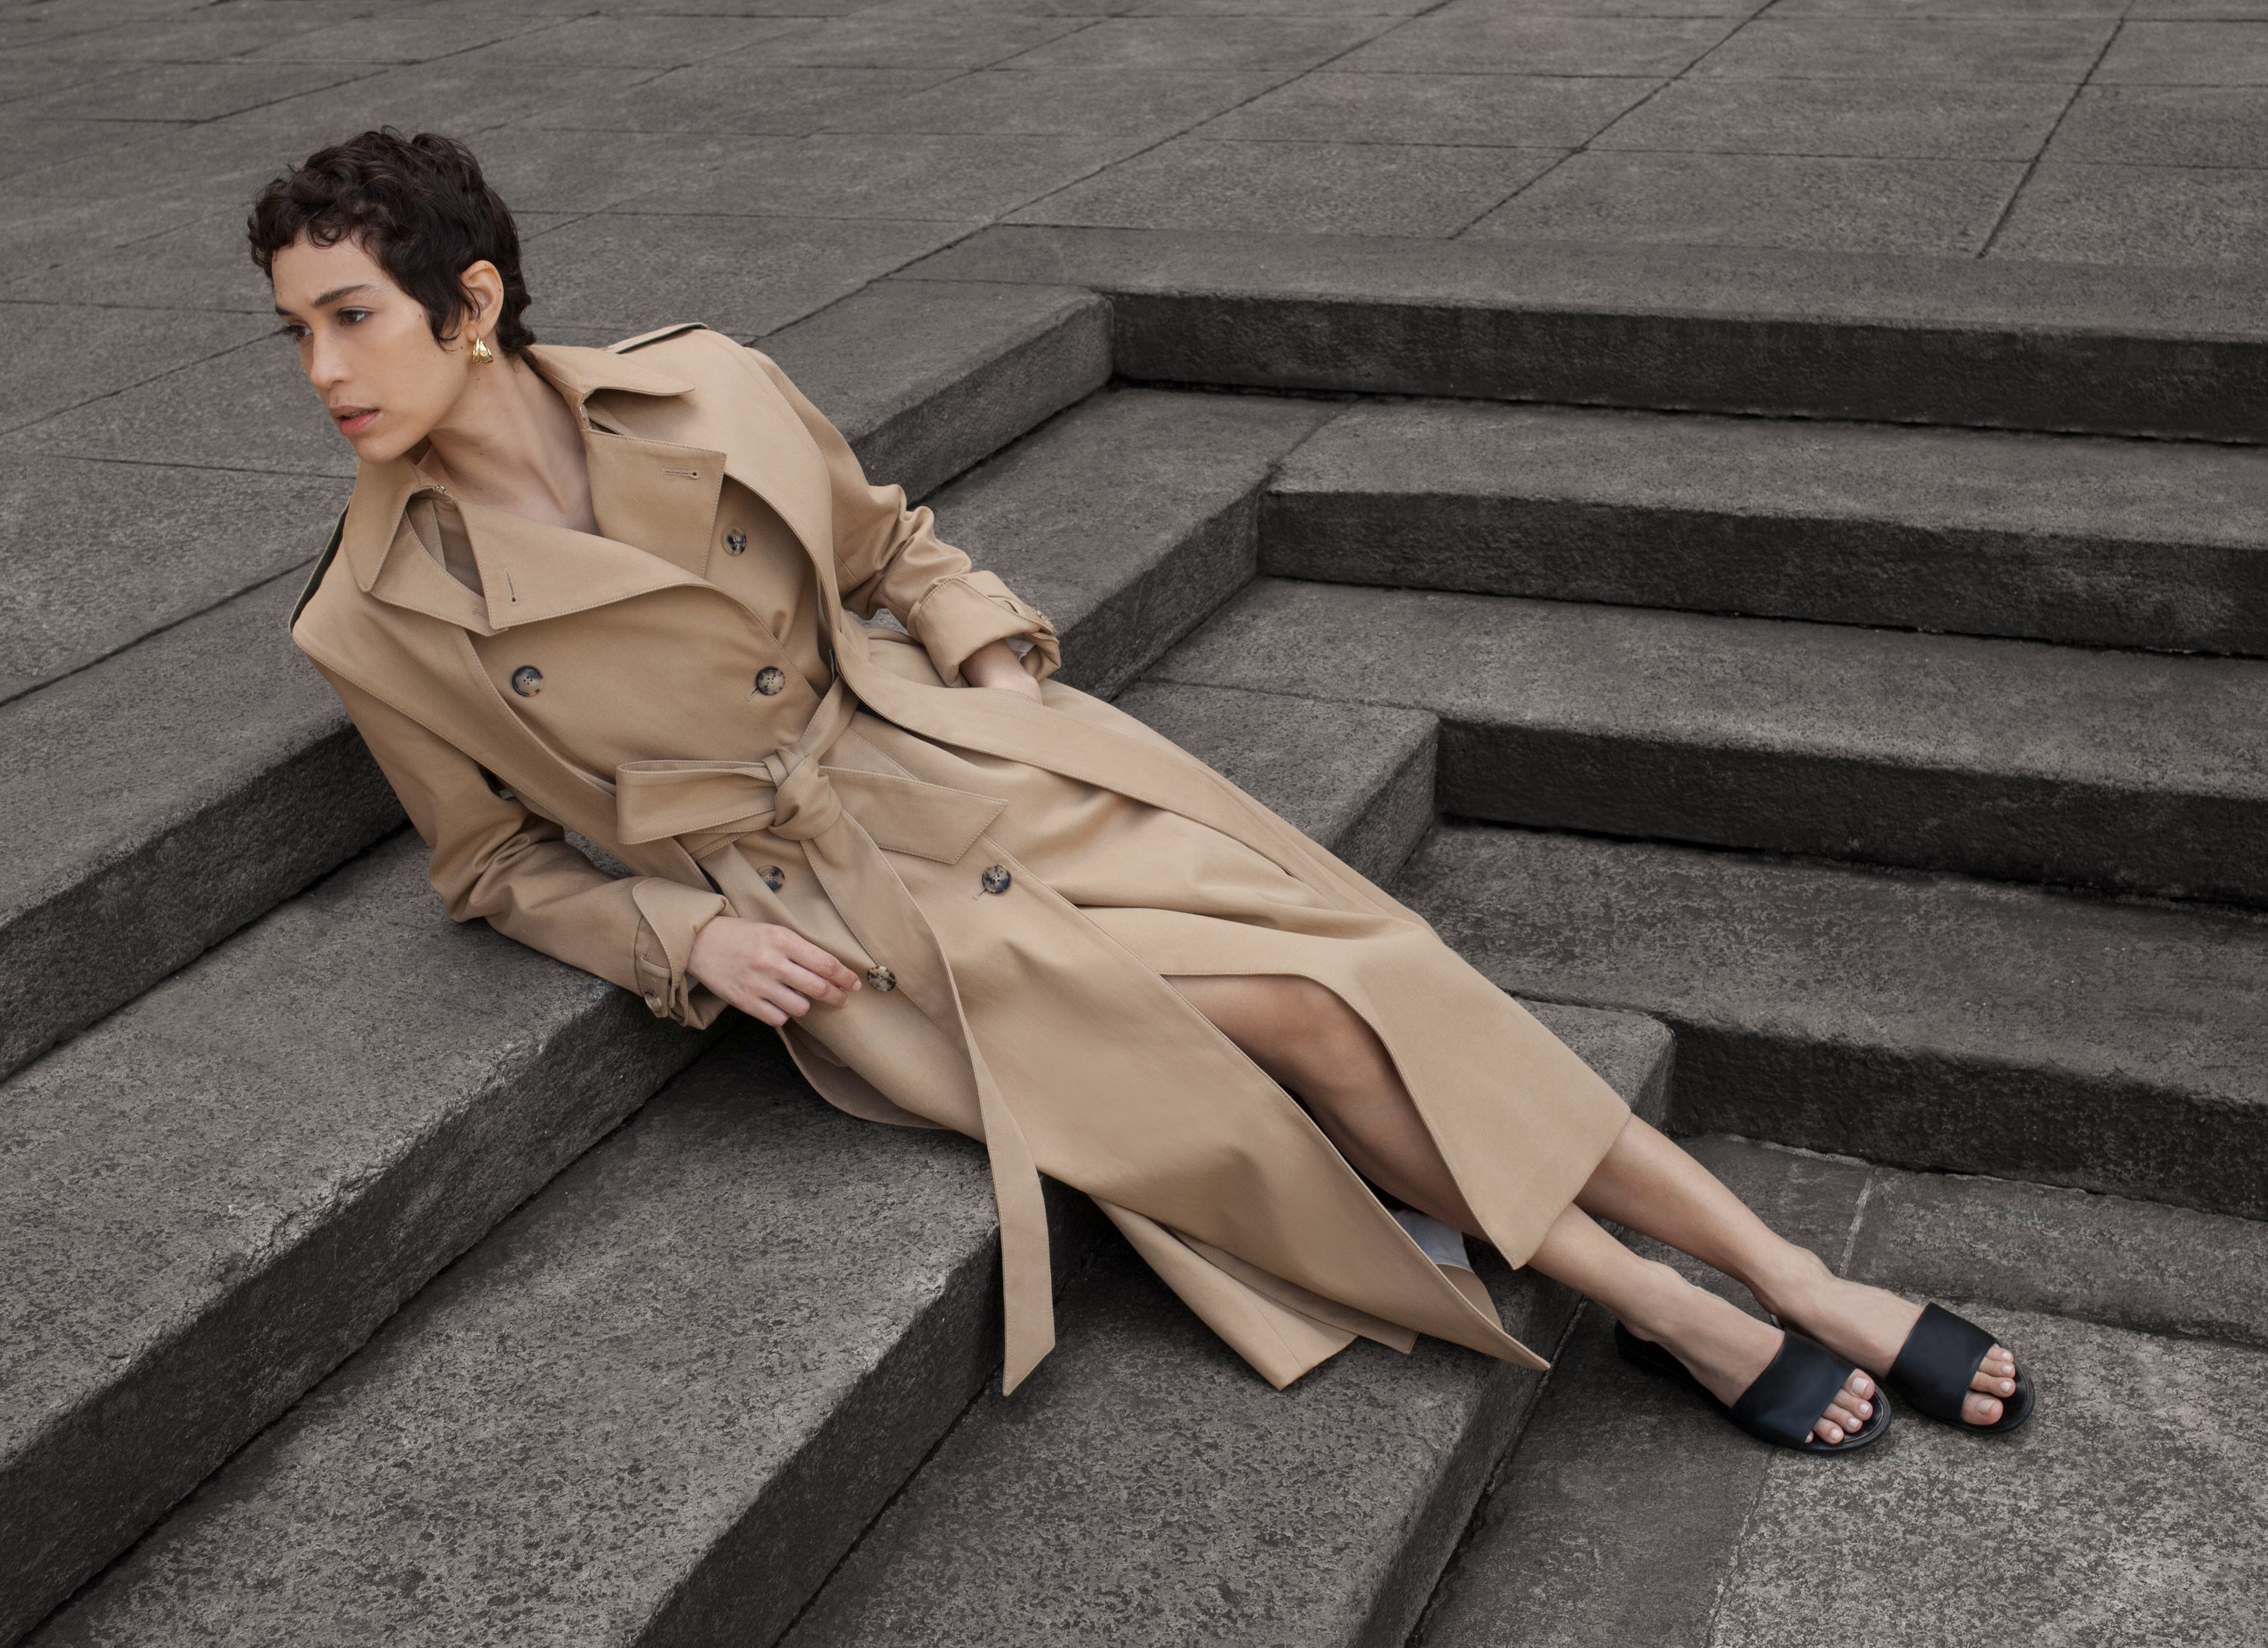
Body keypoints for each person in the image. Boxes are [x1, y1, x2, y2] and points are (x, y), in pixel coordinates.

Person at [256, 129, 2029, 1455]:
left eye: (353, 318)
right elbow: (491, 867)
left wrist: (993, 663)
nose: (327, 374)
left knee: (1386, 968)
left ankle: (1790, 1279)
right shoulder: (371, 613)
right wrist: (681, 939)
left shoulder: (703, 383)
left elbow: (887, 546)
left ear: (470, 304)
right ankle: (1660, 1306)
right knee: (1298, 1015)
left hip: (968, 763)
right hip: (845, 913)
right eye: (295, 333)